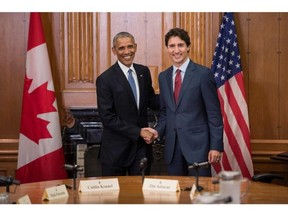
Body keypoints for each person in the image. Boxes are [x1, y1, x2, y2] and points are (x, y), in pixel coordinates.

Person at [155, 28, 223, 176]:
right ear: (167, 48)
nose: (176, 50)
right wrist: (156, 131)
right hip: (172, 149)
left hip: (198, 149)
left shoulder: (203, 74)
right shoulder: (163, 77)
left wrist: (216, 147)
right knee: (176, 195)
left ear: (188, 47)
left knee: (200, 195)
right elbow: (165, 112)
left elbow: (214, 114)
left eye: (180, 45)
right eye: (172, 46)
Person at [96, 31, 159, 176]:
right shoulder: (105, 79)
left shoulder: (143, 72)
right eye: (121, 48)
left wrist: (175, 95)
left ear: (135, 47)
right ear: (114, 50)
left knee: (140, 195)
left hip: (141, 149)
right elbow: (107, 118)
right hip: (115, 152)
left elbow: (150, 100)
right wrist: (138, 132)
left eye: (130, 47)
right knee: (114, 198)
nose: (127, 52)